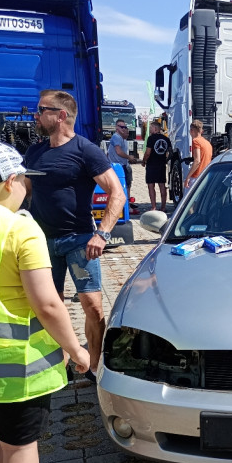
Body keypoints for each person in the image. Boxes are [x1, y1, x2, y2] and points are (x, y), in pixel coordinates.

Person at [0, 140, 90, 463]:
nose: (28, 189)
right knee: (18, 447)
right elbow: (48, 305)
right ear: (11, 181)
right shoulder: (19, 229)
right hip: (17, 369)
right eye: (25, 181)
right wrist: (77, 350)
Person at [24, 90, 126, 383]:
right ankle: (62, 363)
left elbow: (116, 193)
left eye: (42, 110)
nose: (36, 115)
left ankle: (94, 365)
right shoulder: (35, 152)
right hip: (41, 243)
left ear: (61, 115)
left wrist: (102, 234)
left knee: (92, 307)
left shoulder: (85, 150)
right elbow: (24, 192)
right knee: (49, 305)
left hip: (81, 242)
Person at [108, 119, 139, 214]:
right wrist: (129, 157)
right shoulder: (116, 137)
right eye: (122, 127)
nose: (124, 129)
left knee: (127, 185)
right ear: (117, 128)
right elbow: (119, 152)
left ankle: (127, 204)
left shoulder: (123, 139)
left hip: (123, 165)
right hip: (118, 167)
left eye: (125, 127)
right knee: (123, 186)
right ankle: (126, 207)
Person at [142, 121, 171, 211]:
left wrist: (144, 161)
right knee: (162, 186)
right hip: (161, 165)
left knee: (151, 186)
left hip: (151, 165)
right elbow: (170, 152)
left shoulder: (151, 139)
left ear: (155, 128)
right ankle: (163, 206)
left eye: (150, 128)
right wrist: (166, 160)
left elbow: (147, 153)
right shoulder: (166, 139)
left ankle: (153, 207)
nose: (150, 130)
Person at [184, 119, 213, 193]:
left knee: (189, 200)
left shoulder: (196, 141)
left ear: (191, 130)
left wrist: (188, 177)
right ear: (201, 131)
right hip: (205, 175)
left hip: (196, 175)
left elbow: (197, 160)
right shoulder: (207, 143)